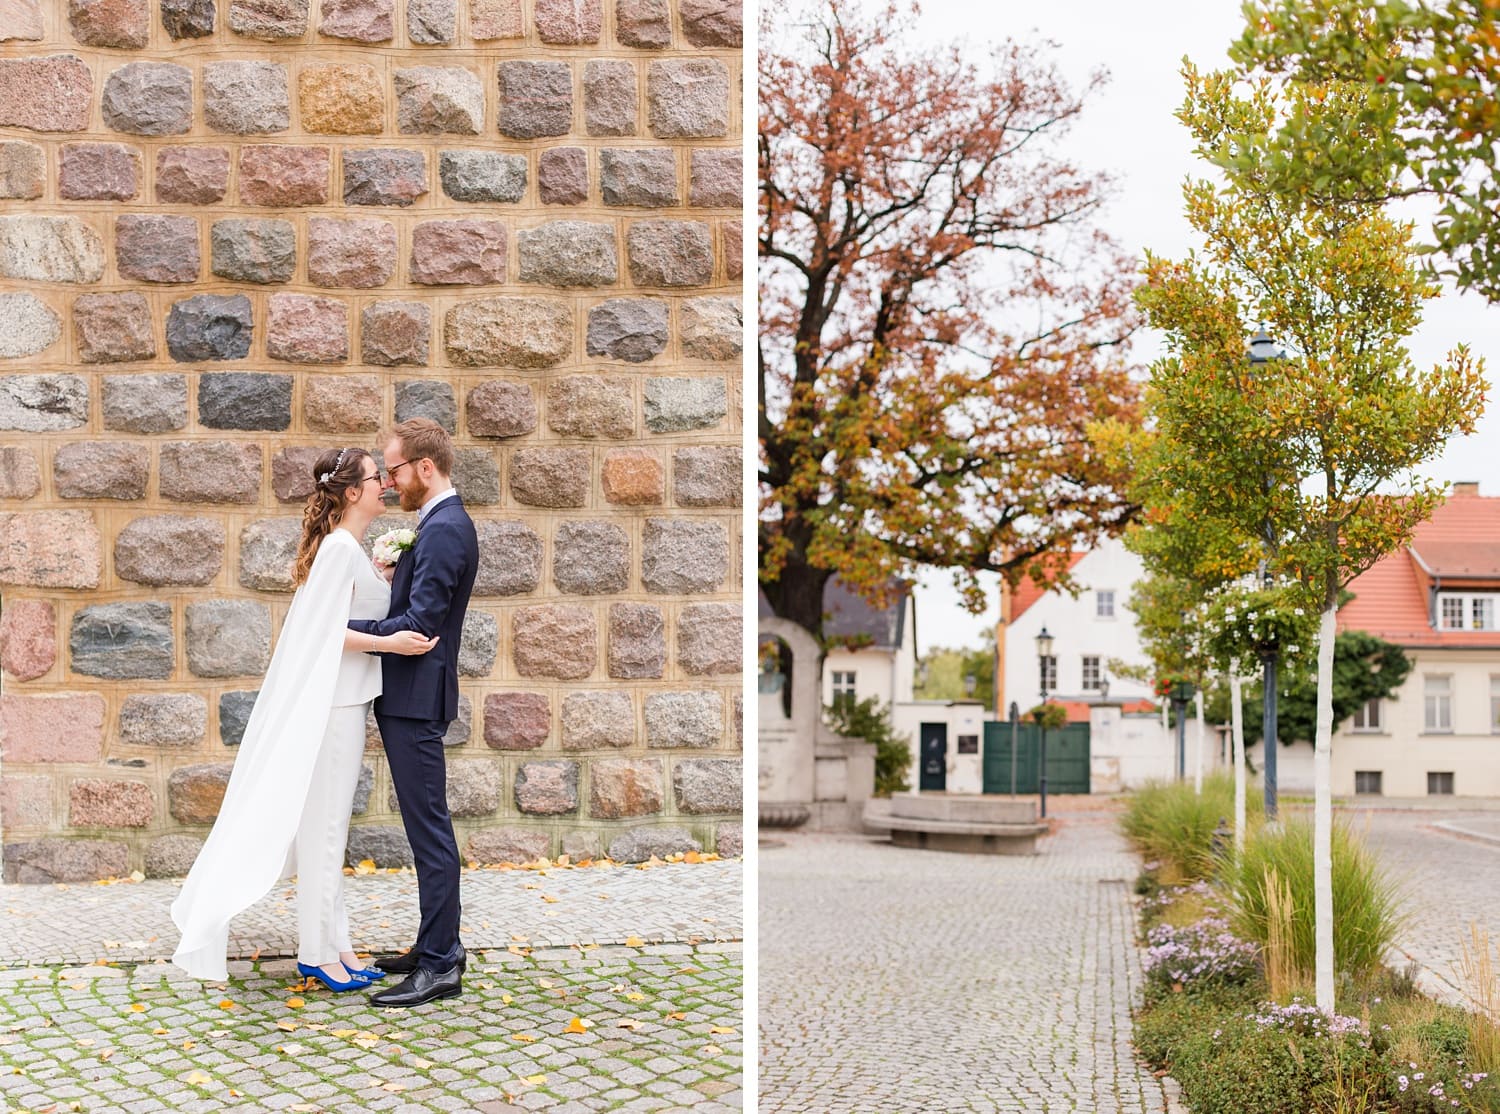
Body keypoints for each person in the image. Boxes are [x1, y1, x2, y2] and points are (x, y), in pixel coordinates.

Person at [170, 448, 438, 990]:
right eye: (374, 477)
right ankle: (317, 953)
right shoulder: (340, 549)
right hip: (334, 706)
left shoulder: (348, 549)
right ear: (352, 492)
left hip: (344, 703)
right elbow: (324, 633)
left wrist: (380, 575)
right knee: (326, 832)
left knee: (328, 832)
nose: (385, 483)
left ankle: (337, 946)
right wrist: (393, 643)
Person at [350, 418, 479, 1008]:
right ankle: (431, 945)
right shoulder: (435, 525)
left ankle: (442, 963)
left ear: (425, 468)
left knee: (430, 831)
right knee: (424, 826)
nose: (392, 481)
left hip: (417, 699)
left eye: (395, 469)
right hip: (407, 697)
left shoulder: (447, 529)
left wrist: (339, 630)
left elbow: (420, 626)